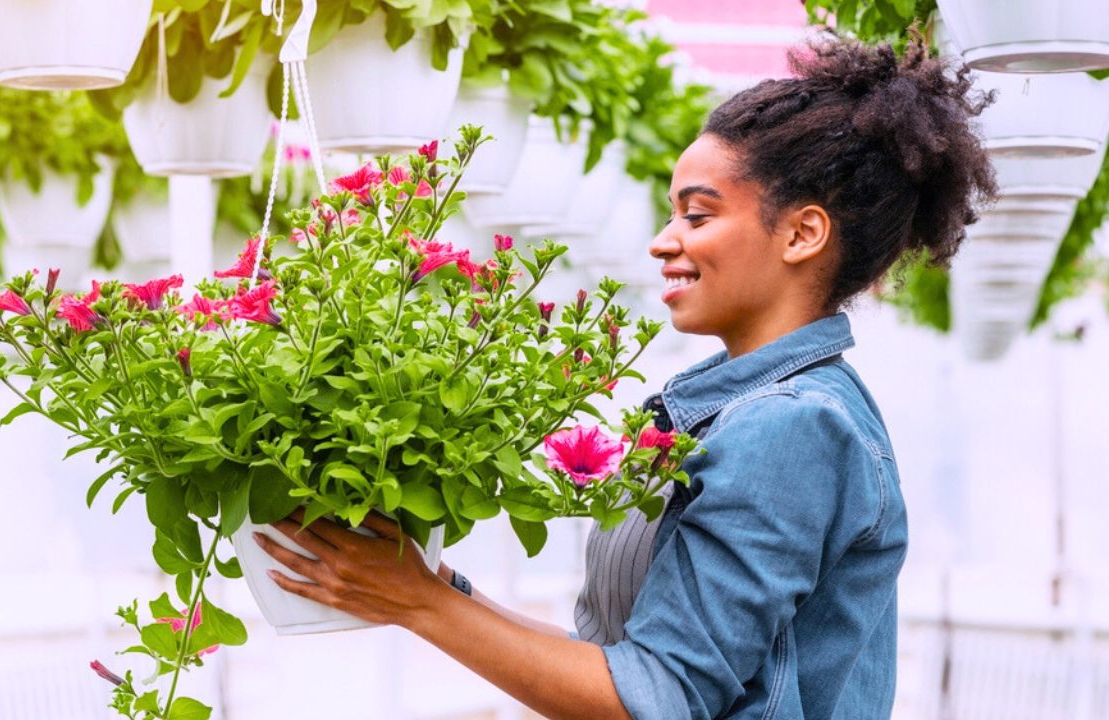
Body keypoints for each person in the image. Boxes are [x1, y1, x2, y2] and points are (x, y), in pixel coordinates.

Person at [252, 35, 997, 719]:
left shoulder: (790, 425)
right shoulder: (743, 410)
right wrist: (434, 590)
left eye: (697, 216)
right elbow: (627, 659)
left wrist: (420, 604)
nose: (663, 241)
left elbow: (658, 697)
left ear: (802, 233)